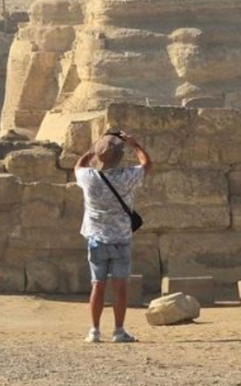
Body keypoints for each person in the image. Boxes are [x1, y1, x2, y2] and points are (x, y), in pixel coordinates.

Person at [75, 131, 152, 343]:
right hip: (120, 238)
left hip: (96, 238)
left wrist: (94, 148)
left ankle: (94, 330)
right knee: (120, 287)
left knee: (97, 285)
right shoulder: (127, 177)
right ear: (120, 156)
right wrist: (135, 145)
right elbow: (147, 165)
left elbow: (78, 166)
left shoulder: (88, 177)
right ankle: (118, 330)